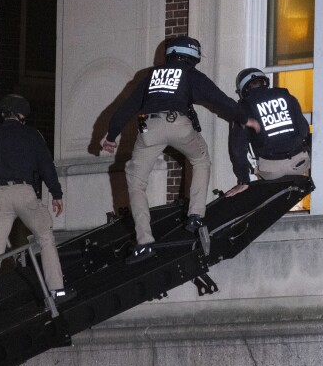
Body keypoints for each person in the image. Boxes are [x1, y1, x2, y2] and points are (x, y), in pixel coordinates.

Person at [102, 36, 248, 263]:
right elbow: (220, 99)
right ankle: (196, 215)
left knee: (136, 181)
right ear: (193, 55)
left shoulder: (151, 75)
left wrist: (112, 135)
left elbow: (127, 106)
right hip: (179, 125)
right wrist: (244, 118)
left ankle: (144, 242)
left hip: (149, 129)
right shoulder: (190, 74)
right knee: (200, 160)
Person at [0, 94, 72, 322]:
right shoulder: (31, 135)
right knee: (45, 237)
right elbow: (46, 166)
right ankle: (57, 290)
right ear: (21, 115)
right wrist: (56, 194)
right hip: (24, 192)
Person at [225, 68, 311, 198]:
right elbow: (304, 130)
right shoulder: (288, 97)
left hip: (271, 170)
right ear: (265, 82)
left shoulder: (242, 109)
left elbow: (237, 149)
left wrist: (243, 180)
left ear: (243, 90)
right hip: (301, 163)